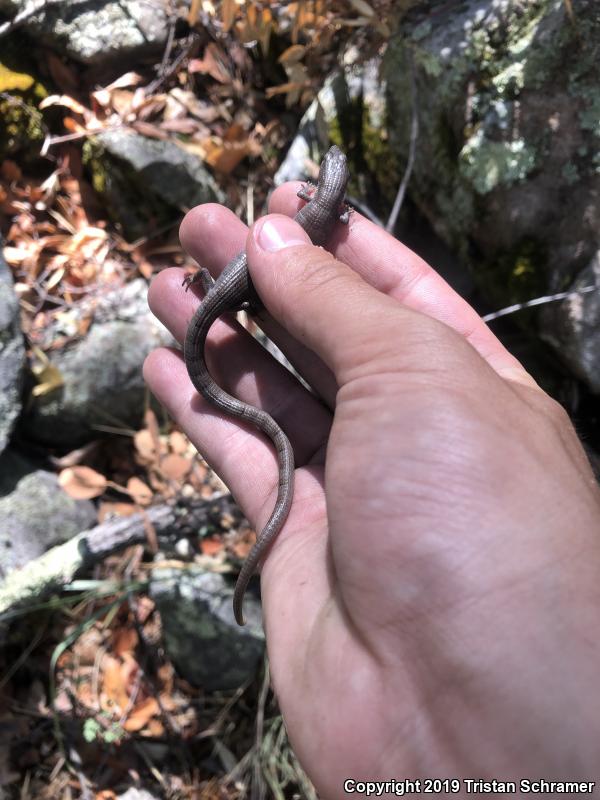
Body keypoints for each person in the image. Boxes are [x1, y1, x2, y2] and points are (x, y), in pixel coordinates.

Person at [144, 180, 600, 798]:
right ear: (332, 201)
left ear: (319, 200)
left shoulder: (322, 211)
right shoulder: (328, 214)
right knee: (214, 331)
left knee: (235, 361)